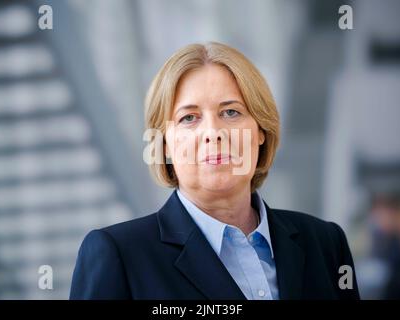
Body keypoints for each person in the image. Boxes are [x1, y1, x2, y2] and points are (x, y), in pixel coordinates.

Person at [69, 42, 360, 300]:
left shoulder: (325, 244)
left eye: (230, 112)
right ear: (164, 143)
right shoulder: (119, 255)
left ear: (261, 130)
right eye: (189, 118)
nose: (213, 133)